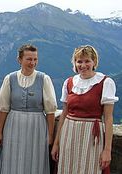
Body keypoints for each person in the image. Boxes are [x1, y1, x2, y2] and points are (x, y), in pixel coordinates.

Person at [51, 45, 119, 174]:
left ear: (94, 62)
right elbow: (64, 114)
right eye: (79, 61)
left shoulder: (105, 82)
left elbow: (108, 118)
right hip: (68, 135)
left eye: (87, 61)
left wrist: (107, 150)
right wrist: (56, 143)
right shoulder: (69, 82)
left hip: (92, 137)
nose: (83, 65)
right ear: (75, 64)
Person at [0, 44, 57, 174]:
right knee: (12, 158)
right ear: (19, 60)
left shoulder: (44, 79)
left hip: (37, 127)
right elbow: (3, 108)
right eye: (29, 59)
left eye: (35, 59)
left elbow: (50, 111)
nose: (32, 63)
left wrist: (50, 135)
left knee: (35, 160)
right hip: (13, 125)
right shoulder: (9, 79)